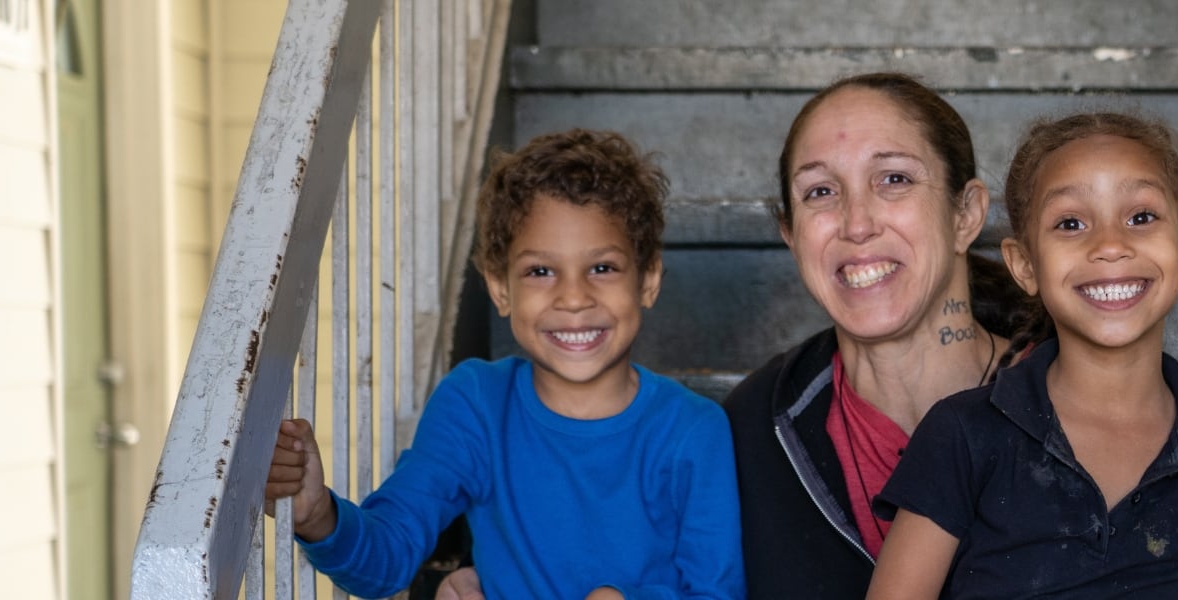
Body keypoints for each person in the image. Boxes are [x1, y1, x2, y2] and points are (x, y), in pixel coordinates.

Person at [436, 72, 1027, 600]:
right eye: (820, 191)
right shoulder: (754, 427)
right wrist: (467, 573)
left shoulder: (1067, 398)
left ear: (966, 213)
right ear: (790, 234)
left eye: (893, 179)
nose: (856, 222)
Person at [265, 129, 744, 600]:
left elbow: (718, 592)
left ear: (648, 280)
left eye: (602, 268)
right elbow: (387, 558)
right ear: (499, 288)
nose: (574, 297)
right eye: (540, 271)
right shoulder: (476, 404)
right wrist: (317, 515)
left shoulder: (694, 431)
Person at [868, 113, 1178, 599]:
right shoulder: (963, 436)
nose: (1111, 245)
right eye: (1071, 223)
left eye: (1141, 217)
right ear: (1024, 265)